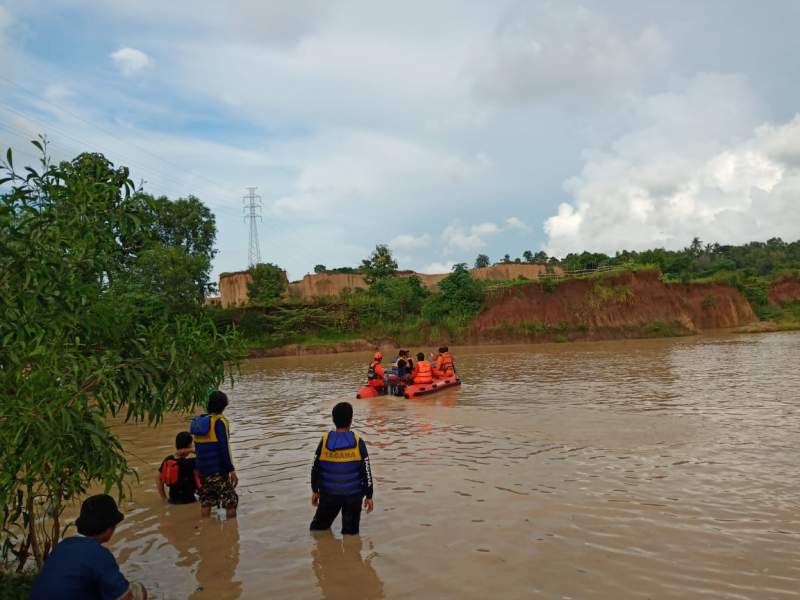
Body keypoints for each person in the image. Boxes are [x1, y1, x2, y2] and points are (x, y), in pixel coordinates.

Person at [30, 494, 148, 600]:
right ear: (109, 528)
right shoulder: (99, 554)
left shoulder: (63, 546)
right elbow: (125, 597)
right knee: (138, 591)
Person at [310, 402, 374, 535]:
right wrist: (369, 495)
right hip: (353, 496)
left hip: (329, 495)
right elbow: (366, 471)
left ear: (333, 420)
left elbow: (315, 467)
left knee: (318, 530)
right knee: (351, 535)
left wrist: (315, 490)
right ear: (351, 420)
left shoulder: (324, 440)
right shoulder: (358, 442)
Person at [192, 390, 238, 519]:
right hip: (217, 471)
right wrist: (231, 470)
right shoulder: (219, 423)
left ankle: (206, 529)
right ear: (224, 405)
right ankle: (231, 533)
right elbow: (224, 449)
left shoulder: (200, 422)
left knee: (206, 500)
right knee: (231, 501)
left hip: (202, 471)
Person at [156, 431, 200, 505]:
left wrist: (164, 499)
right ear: (189, 445)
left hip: (172, 501)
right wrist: (191, 450)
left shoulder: (168, 460)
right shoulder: (190, 463)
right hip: (189, 502)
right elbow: (205, 456)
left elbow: (158, 479)